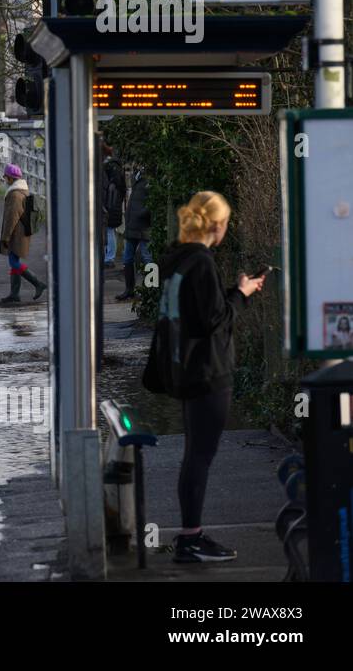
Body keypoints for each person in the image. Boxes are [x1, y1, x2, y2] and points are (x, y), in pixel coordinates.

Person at [156, 191, 265, 564]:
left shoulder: (178, 259)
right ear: (217, 225)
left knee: (194, 454)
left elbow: (196, 311)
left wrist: (232, 291)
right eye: (226, 224)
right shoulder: (201, 262)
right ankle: (191, 539)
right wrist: (242, 294)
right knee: (200, 456)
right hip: (207, 371)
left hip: (184, 368)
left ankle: (191, 536)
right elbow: (211, 321)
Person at [0, 164, 47, 302]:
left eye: (5, 176)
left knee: (14, 262)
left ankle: (38, 283)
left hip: (16, 234)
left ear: (11, 178)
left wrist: (6, 237)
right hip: (21, 232)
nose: (4, 178)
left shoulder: (15, 194)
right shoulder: (22, 191)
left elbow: (11, 217)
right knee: (14, 261)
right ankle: (14, 293)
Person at [116, 164, 152, 301]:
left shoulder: (149, 180)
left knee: (148, 259)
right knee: (127, 259)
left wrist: (142, 214)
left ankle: (151, 291)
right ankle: (129, 289)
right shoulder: (137, 179)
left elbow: (153, 203)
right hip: (132, 226)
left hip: (144, 226)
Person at [101, 146, 126, 266]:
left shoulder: (111, 167)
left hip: (110, 205)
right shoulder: (115, 168)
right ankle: (108, 257)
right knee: (109, 231)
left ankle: (109, 257)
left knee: (109, 230)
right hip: (113, 205)